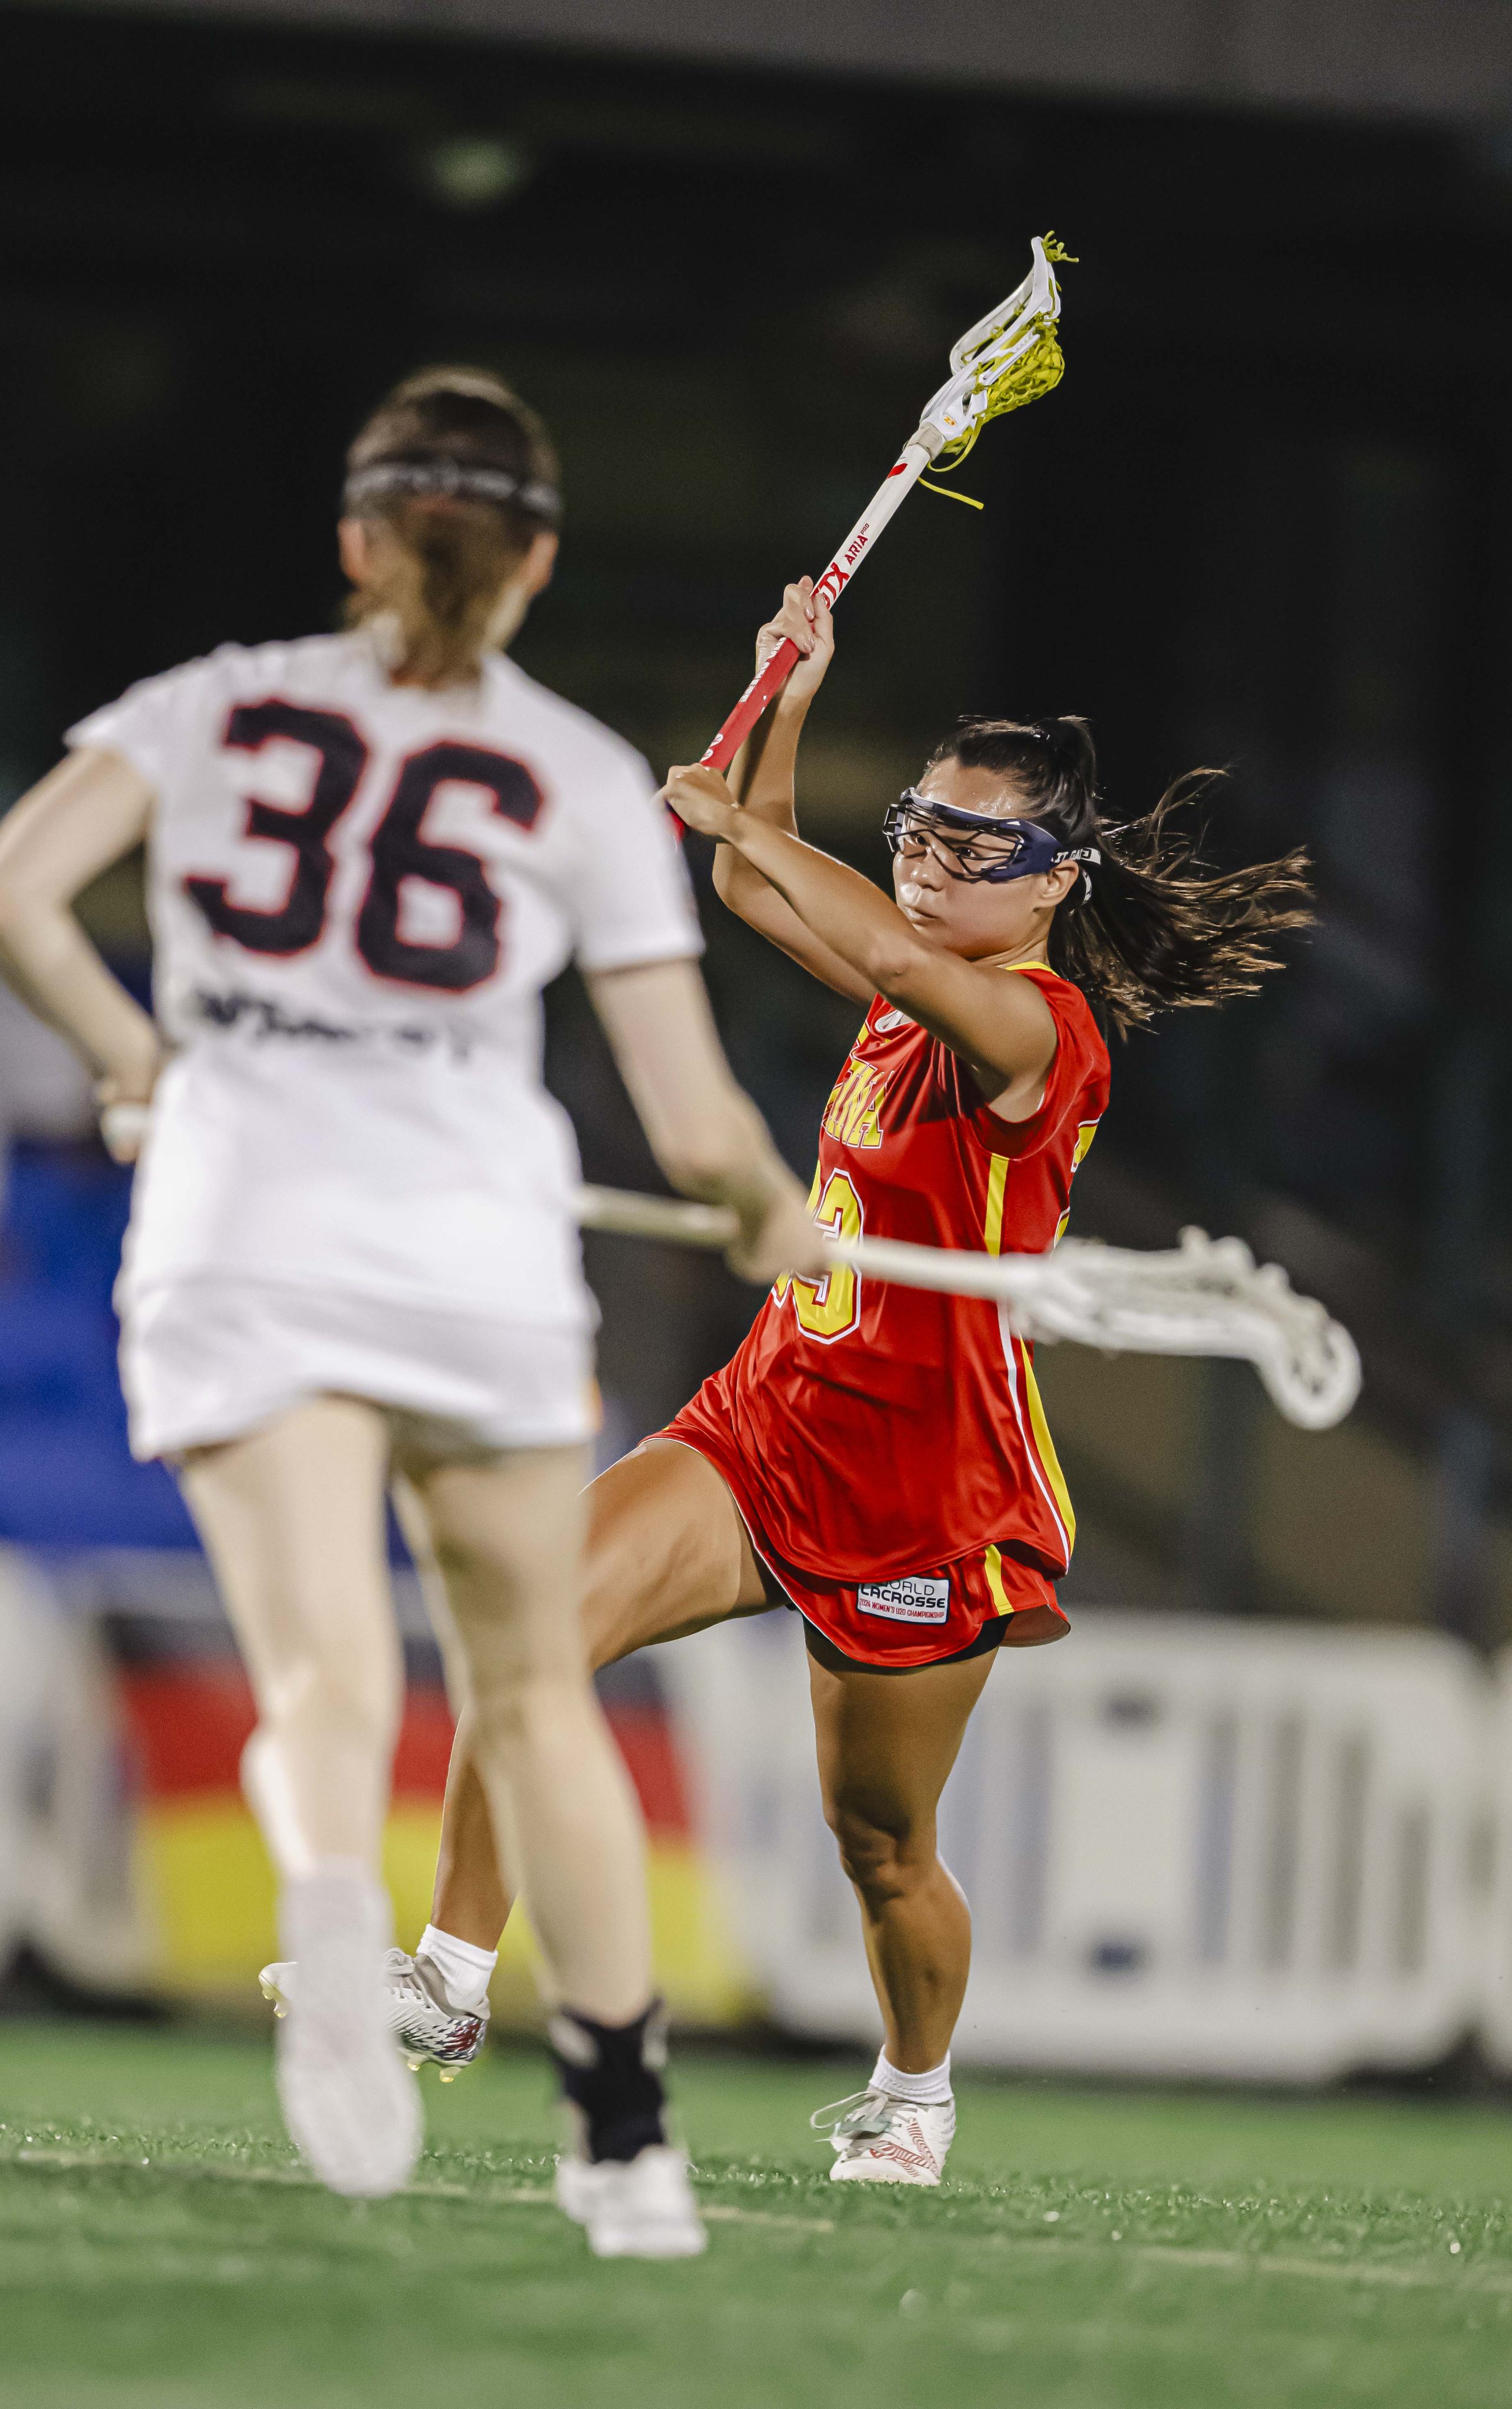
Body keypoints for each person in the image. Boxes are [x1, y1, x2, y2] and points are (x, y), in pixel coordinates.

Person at [0, 366, 821, 2257]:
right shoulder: (585, 772)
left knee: (324, 1678)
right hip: (473, 1258)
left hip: (243, 1227)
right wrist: (773, 1218)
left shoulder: (206, 704)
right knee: (529, 1699)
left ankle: (332, 1907)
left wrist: (136, 1056)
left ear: (356, 541)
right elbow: (694, 1125)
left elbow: (10, 891)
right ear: (537, 563)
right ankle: (624, 2147)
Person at [352, 574, 1313, 2186]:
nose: (927, 862)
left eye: (969, 845)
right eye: (919, 826)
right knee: (532, 1622)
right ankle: (445, 1984)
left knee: (881, 1847)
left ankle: (914, 2089)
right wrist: (789, 692)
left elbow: (829, 905)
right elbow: (755, 884)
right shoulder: (903, 992)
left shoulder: (1033, 1031)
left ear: (1053, 883)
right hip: (768, 1417)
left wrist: (749, 817)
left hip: (925, 1487)